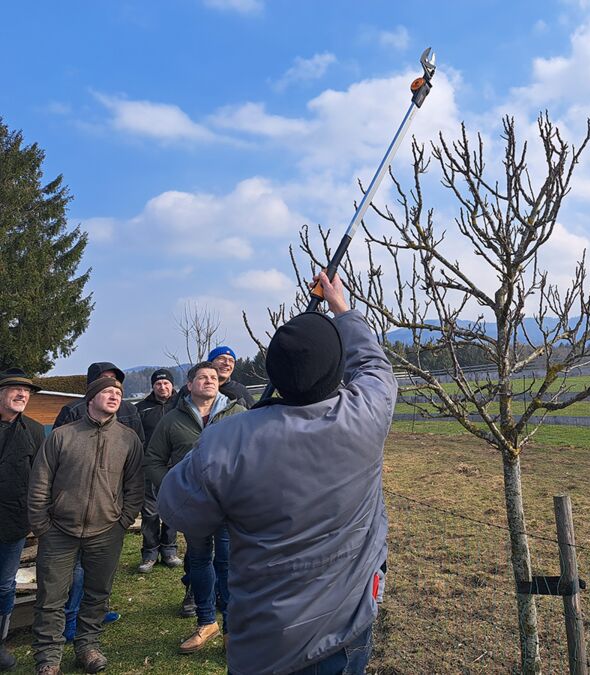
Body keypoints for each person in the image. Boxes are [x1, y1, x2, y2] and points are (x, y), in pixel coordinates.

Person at [159, 272, 397, 675]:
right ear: (336, 372)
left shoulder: (225, 439)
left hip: (265, 642)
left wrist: (215, 449)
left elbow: (177, 509)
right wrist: (341, 307)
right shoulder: (366, 414)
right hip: (347, 628)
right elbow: (373, 363)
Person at [28, 377, 144, 675]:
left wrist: (123, 521)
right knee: (51, 596)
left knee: (97, 593)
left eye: (119, 392)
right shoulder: (61, 436)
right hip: (59, 531)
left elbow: (135, 485)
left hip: (106, 531)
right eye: (107, 391)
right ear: (90, 398)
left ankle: (87, 646)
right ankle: (48, 657)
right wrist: (42, 525)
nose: (115, 396)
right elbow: (40, 482)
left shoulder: (128, 438)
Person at [145, 362, 244, 653]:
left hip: (228, 504)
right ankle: (205, 622)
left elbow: (256, 452)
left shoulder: (237, 415)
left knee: (227, 563)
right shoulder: (172, 420)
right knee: (199, 561)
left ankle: (231, 629)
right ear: (189, 385)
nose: (209, 381)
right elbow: (153, 459)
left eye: (213, 377)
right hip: (193, 506)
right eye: (202, 377)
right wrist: (175, 488)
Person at [52, 362, 136, 642]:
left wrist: (124, 515)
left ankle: (96, 612)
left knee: (100, 569)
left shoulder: (127, 414)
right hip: (71, 511)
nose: (112, 390)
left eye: (116, 384)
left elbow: (135, 463)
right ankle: (70, 617)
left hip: (108, 508)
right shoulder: (71, 414)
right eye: (105, 382)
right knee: (74, 570)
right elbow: (55, 460)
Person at [0, 369, 44, 672]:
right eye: (15, 389)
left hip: (13, 521)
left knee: (4, 586)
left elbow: (41, 477)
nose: (22, 395)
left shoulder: (35, 430)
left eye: (26, 391)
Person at [135, 368, 180, 573]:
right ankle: (150, 552)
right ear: (152, 386)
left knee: (172, 509)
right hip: (150, 466)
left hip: (175, 465)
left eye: (166, 383)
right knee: (150, 511)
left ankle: (170, 550)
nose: (162, 387)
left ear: (172, 385)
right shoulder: (141, 408)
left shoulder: (181, 405)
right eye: (158, 384)